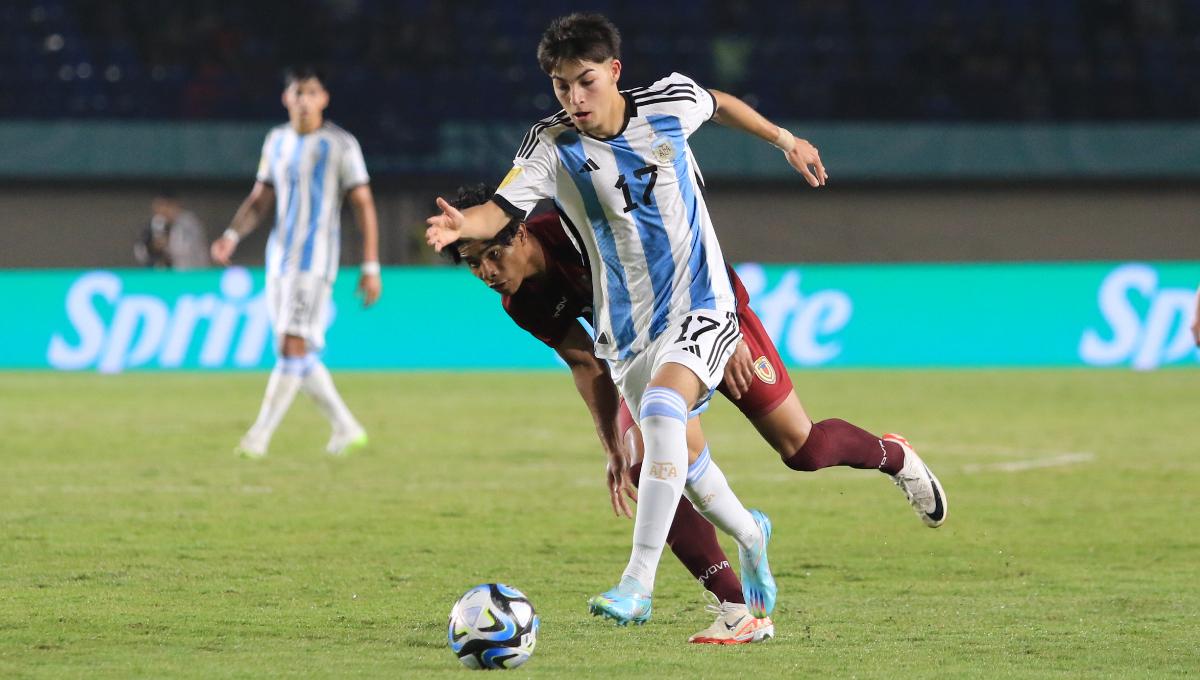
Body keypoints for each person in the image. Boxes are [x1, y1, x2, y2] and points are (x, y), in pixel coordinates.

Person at [426, 13, 828, 627]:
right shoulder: (551, 144)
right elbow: (501, 209)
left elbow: (718, 104)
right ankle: (751, 534)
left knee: (665, 411)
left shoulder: (668, 102)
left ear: (613, 71)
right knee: (684, 462)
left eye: (585, 82)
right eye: (561, 87)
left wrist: (784, 139)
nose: (574, 99)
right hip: (627, 330)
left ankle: (637, 583)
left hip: (701, 304)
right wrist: (465, 225)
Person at [446, 185, 946, 643]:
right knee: (645, 461)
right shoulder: (521, 302)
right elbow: (585, 362)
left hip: (704, 316)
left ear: (522, 229)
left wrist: (721, 328)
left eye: (493, 254)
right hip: (642, 349)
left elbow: (686, 243)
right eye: (473, 263)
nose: (488, 271)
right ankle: (736, 607)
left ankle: (893, 456)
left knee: (803, 449)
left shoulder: (577, 224)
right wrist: (611, 448)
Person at [210, 65, 382, 458]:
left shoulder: (341, 144)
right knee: (295, 352)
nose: (304, 100)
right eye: (297, 93)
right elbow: (260, 198)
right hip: (278, 261)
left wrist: (370, 264)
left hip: (315, 261)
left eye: (312, 93)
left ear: (324, 99)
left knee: (292, 345)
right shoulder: (275, 142)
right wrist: (232, 235)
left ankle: (257, 438)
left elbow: (363, 204)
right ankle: (346, 427)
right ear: (286, 99)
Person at [134, 190, 211, 270]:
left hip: (192, 274)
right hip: (167, 277)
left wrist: (166, 244)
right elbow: (140, 252)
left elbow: (186, 250)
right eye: (159, 206)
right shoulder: (155, 224)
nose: (162, 210)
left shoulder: (189, 222)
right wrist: (152, 246)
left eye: (165, 205)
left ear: (175, 205)